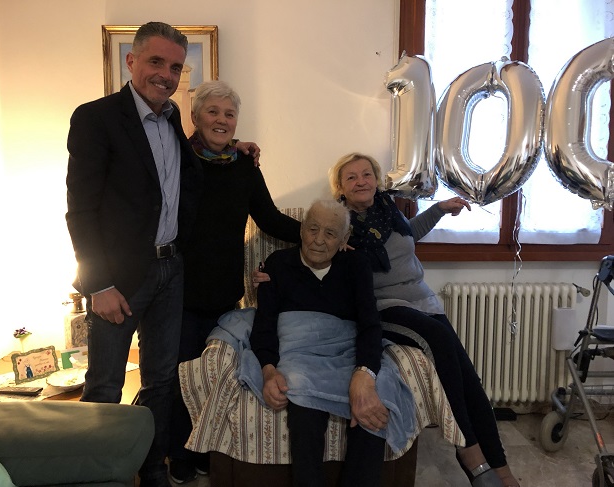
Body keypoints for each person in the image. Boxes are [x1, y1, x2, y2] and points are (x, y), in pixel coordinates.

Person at [66, 22, 257, 487]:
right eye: (156, 62)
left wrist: (236, 146)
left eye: (175, 67)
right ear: (131, 61)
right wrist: (98, 283)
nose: (166, 74)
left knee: (161, 382)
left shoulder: (172, 118)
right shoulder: (96, 118)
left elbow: (195, 166)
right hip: (118, 277)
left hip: (171, 270)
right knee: (105, 384)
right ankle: (94, 477)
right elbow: (80, 208)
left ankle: (152, 470)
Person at [327, 152, 520, 487]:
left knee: (470, 381)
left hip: (423, 300)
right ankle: (470, 454)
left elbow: (409, 235)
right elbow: (315, 255)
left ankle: (502, 470)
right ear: (340, 188)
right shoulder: (338, 224)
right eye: (351, 177)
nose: (361, 182)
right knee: (438, 338)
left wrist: (440, 209)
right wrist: (334, 252)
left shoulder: (388, 209)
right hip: (385, 305)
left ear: (376, 180)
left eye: (366, 174)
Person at [168, 79, 301, 483]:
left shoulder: (244, 165)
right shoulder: (177, 157)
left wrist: (318, 235)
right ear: (196, 117)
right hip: (178, 293)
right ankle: (178, 456)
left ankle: (206, 450)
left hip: (225, 294)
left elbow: (270, 218)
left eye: (229, 114)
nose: (222, 120)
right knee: (179, 378)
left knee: (217, 377)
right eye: (213, 112)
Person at [250, 199, 390, 487]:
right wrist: (269, 370)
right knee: (304, 409)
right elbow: (264, 325)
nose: (318, 240)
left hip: (346, 352)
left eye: (330, 233)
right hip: (299, 355)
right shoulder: (277, 264)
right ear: (302, 230)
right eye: (313, 229)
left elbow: (370, 324)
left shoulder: (356, 265)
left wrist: (364, 373)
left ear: (344, 239)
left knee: (371, 407)